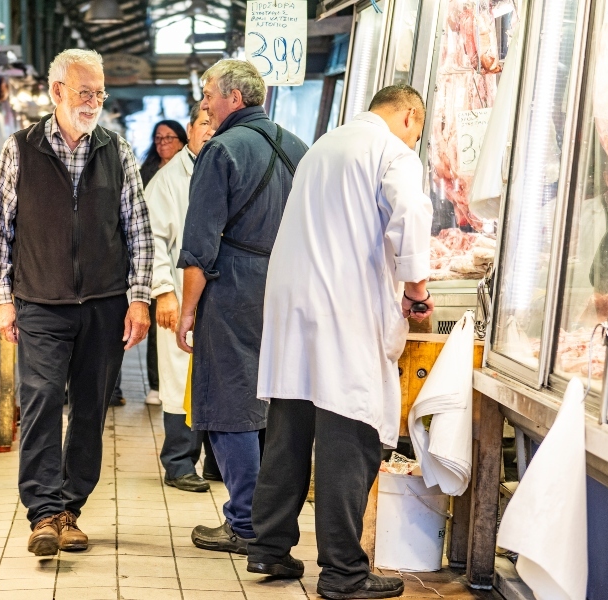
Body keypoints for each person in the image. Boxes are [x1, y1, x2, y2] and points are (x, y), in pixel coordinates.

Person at [250, 84, 434, 600]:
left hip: (295, 303)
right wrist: (417, 289)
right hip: (342, 307)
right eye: (418, 129)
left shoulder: (325, 144)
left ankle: (270, 545)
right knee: (348, 436)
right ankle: (343, 572)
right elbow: (410, 216)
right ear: (409, 116)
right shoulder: (392, 151)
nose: (416, 139)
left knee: (290, 423)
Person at [0, 48, 152, 556]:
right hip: (39, 301)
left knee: (89, 410)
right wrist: (2, 299)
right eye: (86, 92)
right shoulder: (21, 148)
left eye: (99, 93)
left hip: (103, 303)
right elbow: (0, 228)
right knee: (37, 403)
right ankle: (42, 512)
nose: (94, 102)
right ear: (57, 92)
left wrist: (139, 297)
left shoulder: (116, 149)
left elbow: (139, 231)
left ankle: (69, 509)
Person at [176, 59, 308, 555]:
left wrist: (188, 311)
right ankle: (272, 519)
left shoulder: (221, 150)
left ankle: (245, 521)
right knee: (276, 404)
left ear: (234, 96)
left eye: (209, 92)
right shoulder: (299, 148)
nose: (205, 102)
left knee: (229, 404)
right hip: (289, 287)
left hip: (232, 288)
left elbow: (199, 244)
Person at [146, 103, 213, 492]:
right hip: (179, 295)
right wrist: (163, 293)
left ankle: (217, 461)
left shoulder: (224, 167)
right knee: (179, 379)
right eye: (202, 122)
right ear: (189, 128)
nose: (209, 130)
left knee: (218, 379)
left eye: (214, 122)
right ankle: (179, 462)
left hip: (221, 299)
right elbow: (151, 241)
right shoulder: (169, 180)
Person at [110, 119, 187, 407]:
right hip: (142, 261)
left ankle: (157, 384)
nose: (163, 142)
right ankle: (116, 388)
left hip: (174, 266)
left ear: (182, 138)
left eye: (169, 137)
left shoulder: (192, 171)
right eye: (158, 137)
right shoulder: (147, 173)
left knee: (164, 326)